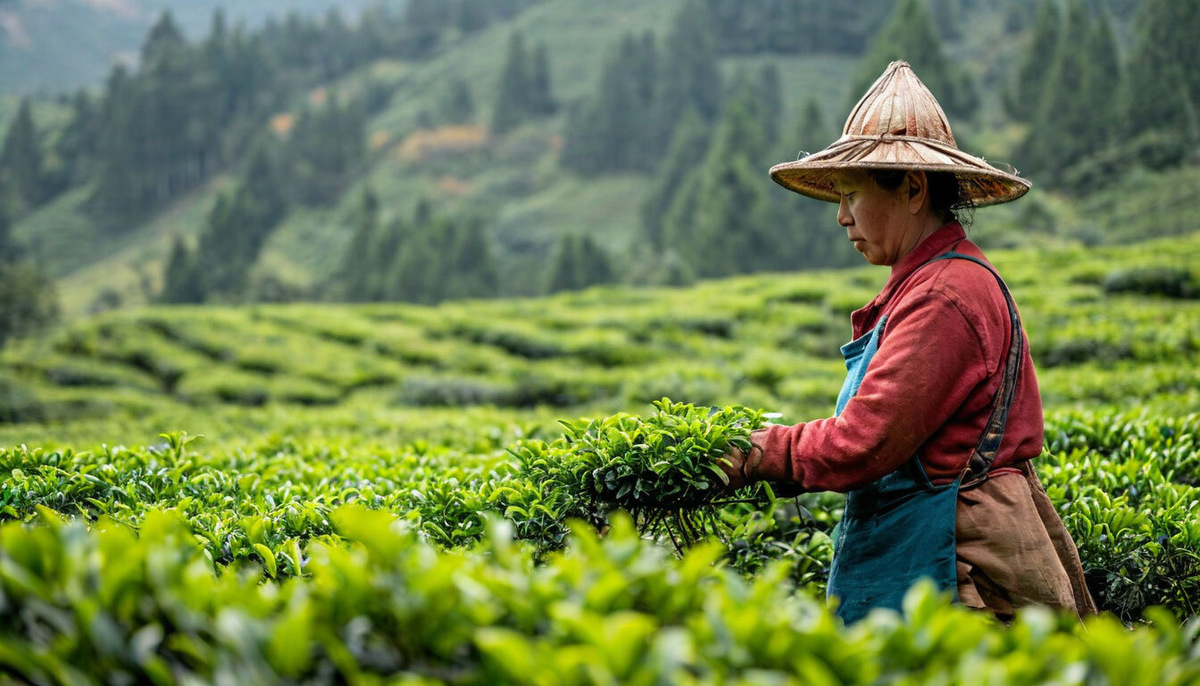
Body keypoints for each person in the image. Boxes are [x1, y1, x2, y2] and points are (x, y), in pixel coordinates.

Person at [718, 61, 1096, 623]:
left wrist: (754, 453)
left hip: (960, 570)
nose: (842, 217)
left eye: (851, 194)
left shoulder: (946, 294)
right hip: (927, 546)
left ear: (913, 189)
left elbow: (865, 441)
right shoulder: (928, 283)